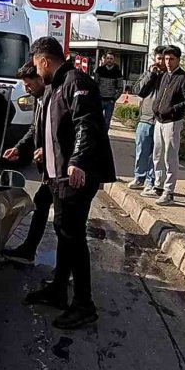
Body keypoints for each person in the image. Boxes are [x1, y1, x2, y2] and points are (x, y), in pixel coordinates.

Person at [24, 37, 117, 330]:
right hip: (59, 176)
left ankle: (84, 304)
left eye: (38, 66)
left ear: (44, 61)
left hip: (76, 175)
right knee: (64, 232)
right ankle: (58, 289)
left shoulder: (77, 82)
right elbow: (54, 129)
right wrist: (44, 152)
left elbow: (86, 124)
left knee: (74, 238)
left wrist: (77, 160)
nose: (37, 73)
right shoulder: (55, 85)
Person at [2, 61, 51, 265]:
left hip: (65, 170)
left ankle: (64, 274)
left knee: (66, 225)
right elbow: (34, 128)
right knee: (41, 201)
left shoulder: (52, 97)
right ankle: (28, 250)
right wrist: (20, 148)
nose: (26, 90)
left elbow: (60, 134)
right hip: (51, 168)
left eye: (29, 85)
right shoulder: (39, 99)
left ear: (40, 78)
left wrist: (47, 153)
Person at [139, 45, 185, 206]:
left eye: (171, 59)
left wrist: (173, 109)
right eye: (166, 58)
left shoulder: (183, 78)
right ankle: (158, 185)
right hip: (159, 120)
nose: (168, 62)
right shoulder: (164, 75)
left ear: (178, 60)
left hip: (172, 121)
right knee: (157, 155)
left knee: (170, 156)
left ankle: (169, 191)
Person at [128, 46, 166, 190]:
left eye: (164, 59)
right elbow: (138, 90)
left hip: (160, 120)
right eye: (159, 58)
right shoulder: (148, 74)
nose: (161, 62)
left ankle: (151, 181)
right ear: (154, 59)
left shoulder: (168, 77)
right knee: (141, 151)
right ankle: (139, 177)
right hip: (145, 118)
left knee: (156, 154)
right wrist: (150, 74)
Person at [94, 51, 122, 128]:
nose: (109, 60)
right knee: (97, 120)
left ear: (114, 60)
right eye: (108, 58)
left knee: (107, 121)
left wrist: (114, 99)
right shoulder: (99, 70)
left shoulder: (118, 72)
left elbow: (120, 88)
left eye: (111, 58)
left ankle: (104, 137)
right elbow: (95, 85)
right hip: (100, 100)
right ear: (105, 59)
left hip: (110, 101)